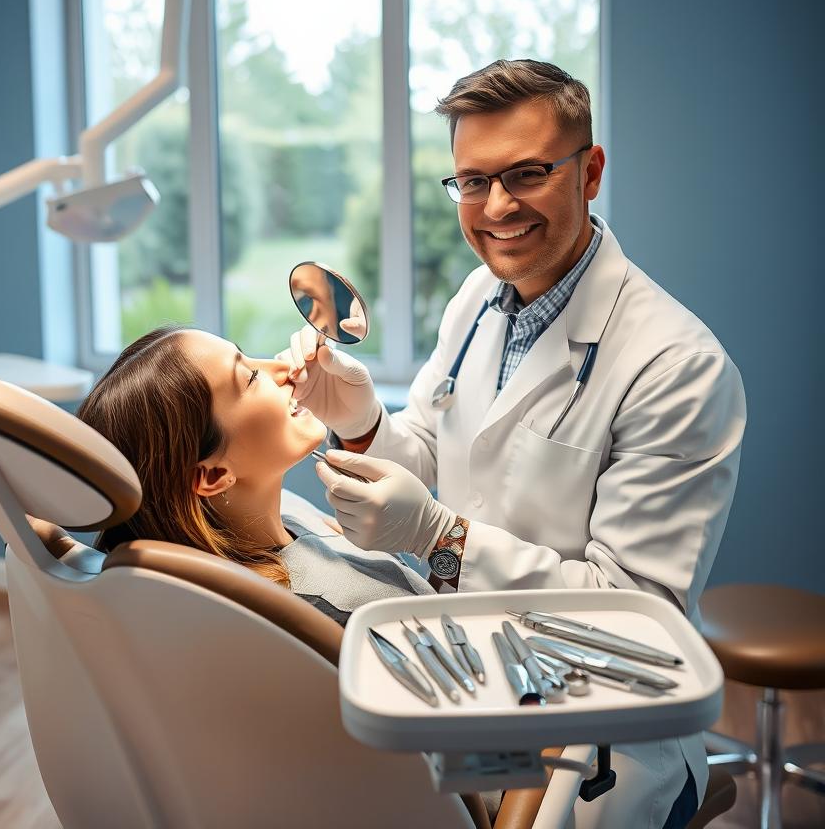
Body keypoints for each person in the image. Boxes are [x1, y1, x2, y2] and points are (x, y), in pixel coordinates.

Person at [280, 59, 746, 829]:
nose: (496, 207)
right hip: (469, 672)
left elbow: (638, 624)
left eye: (527, 173)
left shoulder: (677, 367)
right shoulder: (478, 299)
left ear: (589, 172)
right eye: (472, 181)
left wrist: (441, 538)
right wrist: (363, 422)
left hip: (600, 725)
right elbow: (429, 454)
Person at [76, 326, 434, 627]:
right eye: (249, 376)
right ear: (214, 475)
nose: (284, 368)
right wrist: (444, 539)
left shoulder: (278, 515)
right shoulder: (351, 614)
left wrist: (361, 428)